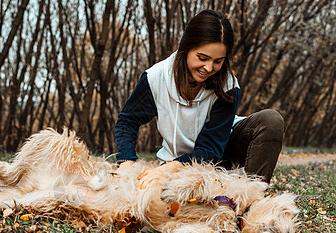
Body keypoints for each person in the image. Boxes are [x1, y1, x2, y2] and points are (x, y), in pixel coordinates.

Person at [114, 9, 284, 189]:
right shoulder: (156, 77)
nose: (209, 68)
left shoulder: (228, 86)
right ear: (187, 47)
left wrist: (166, 170)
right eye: (202, 58)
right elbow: (128, 121)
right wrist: (126, 162)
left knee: (271, 120)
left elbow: (210, 149)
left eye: (218, 61)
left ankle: (254, 197)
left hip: (216, 155)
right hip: (174, 162)